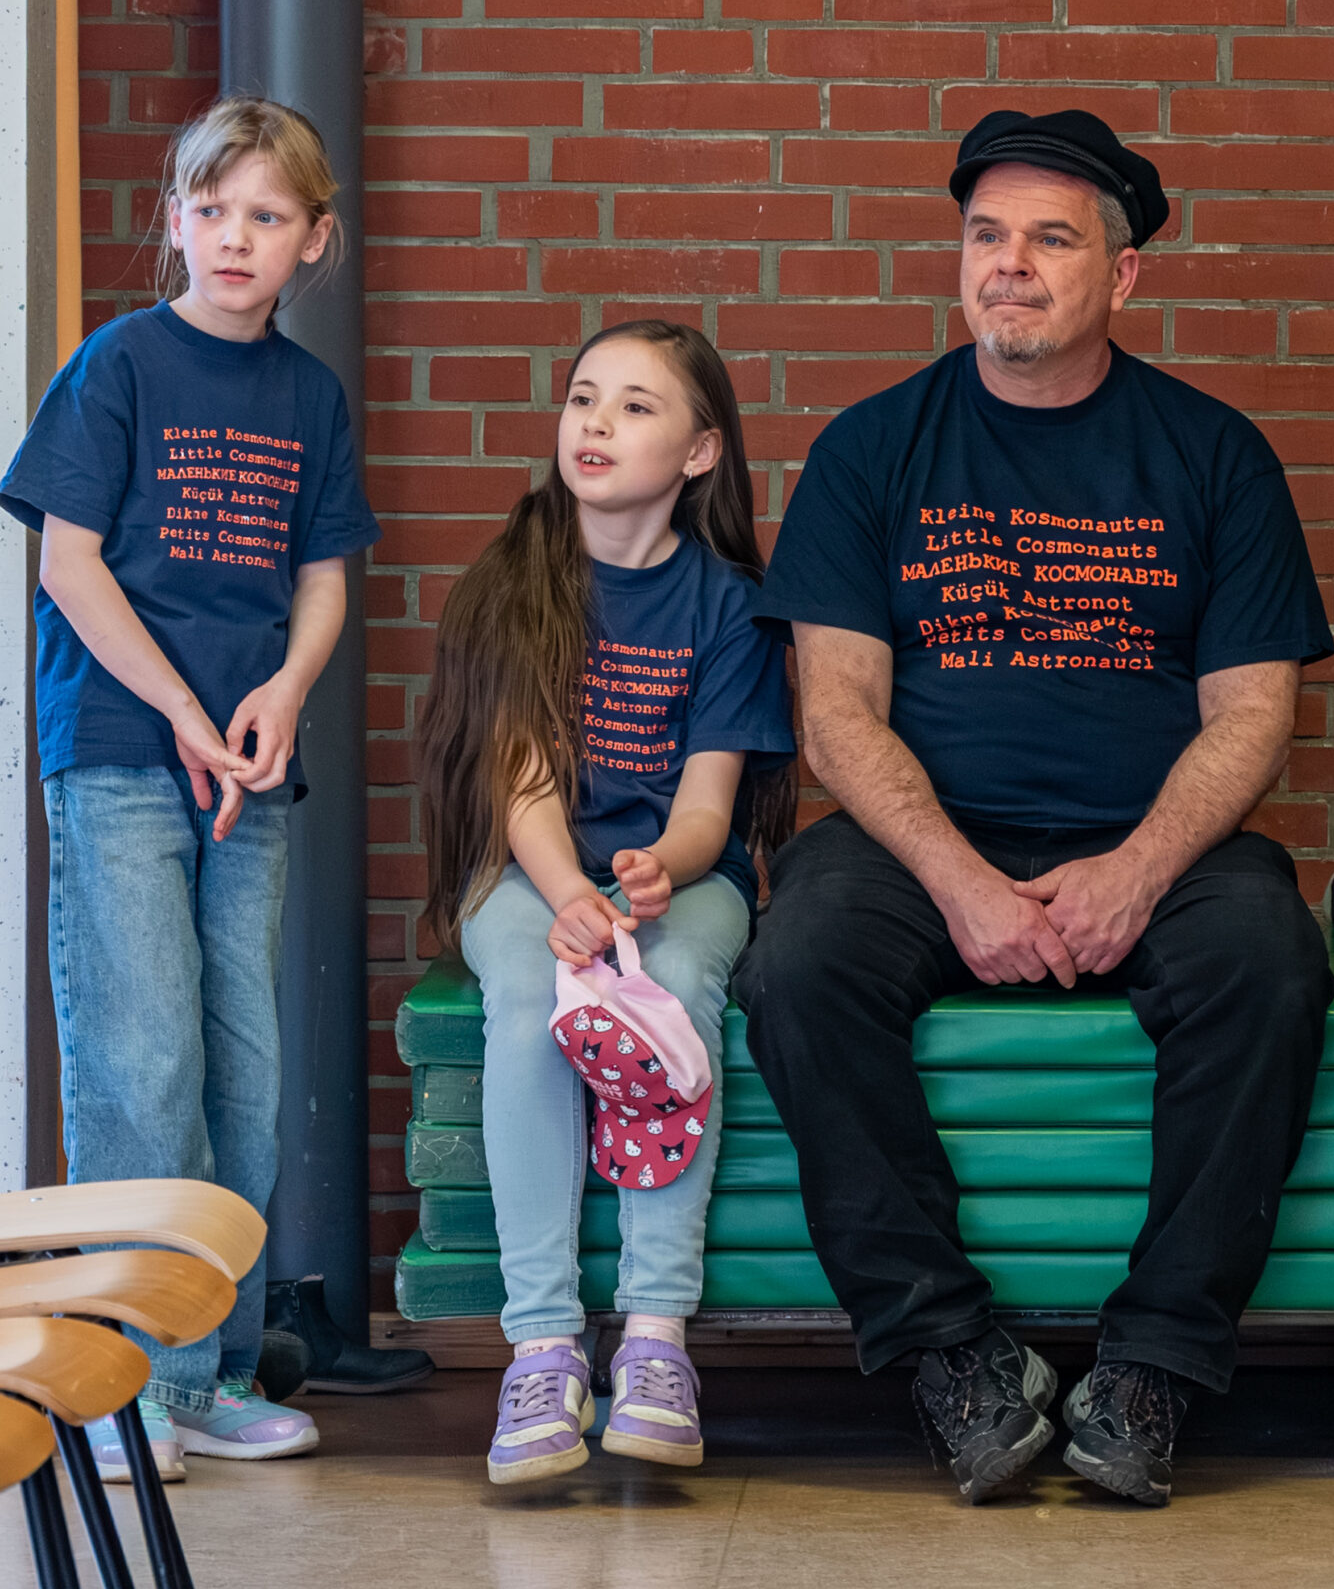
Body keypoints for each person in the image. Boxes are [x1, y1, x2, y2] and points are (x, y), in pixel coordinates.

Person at [736, 110, 1334, 1509]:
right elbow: (837, 714)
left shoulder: (1215, 453)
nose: (1008, 263)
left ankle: (1156, 1361)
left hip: (1153, 838)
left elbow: (1253, 712)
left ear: (1121, 275)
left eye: (1050, 238)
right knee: (798, 960)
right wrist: (960, 879)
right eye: (986, 234)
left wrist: (1138, 866)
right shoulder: (873, 448)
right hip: (926, 840)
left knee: (1269, 961)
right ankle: (951, 1350)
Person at [0, 95, 379, 1480]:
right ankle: (116, 1387)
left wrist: (283, 692)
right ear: (175, 219)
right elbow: (69, 564)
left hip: (248, 775)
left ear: (312, 239)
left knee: (243, 1073)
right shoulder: (116, 365)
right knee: (140, 1062)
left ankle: (206, 1372)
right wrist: (182, 710)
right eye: (211, 209)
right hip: (122, 750)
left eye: (265, 215)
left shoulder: (310, 400)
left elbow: (322, 578)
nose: (234, 236)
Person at [416, 321, 795, 1485]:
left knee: (672, 980)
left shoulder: (730, 605)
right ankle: (541, 1346)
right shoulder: (513, 580)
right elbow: (520, 779)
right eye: (584, 397)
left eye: (636, 406)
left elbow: (709, 801)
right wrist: (573, 893)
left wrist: (659, 869)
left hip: (677, 878)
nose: (596, 422)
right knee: (534, 986)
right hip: (528, 869)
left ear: (699, 451)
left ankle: (654, 1340)